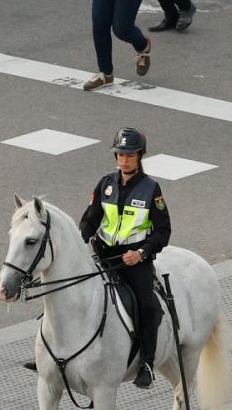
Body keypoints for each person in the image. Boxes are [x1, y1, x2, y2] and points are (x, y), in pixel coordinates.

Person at [76, 126, 170, 390]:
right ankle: (52, 355)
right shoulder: (106, 184)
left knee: (147, 306)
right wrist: (76, 241)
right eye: (120, 154)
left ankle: (147, 364)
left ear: (141, 156)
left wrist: (140, 253)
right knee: (69, 291)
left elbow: (163, 232)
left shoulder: (151, 189)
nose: (124, 159)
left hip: (133, 261)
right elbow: (90, 219)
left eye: (130, 155)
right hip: (104, 256)